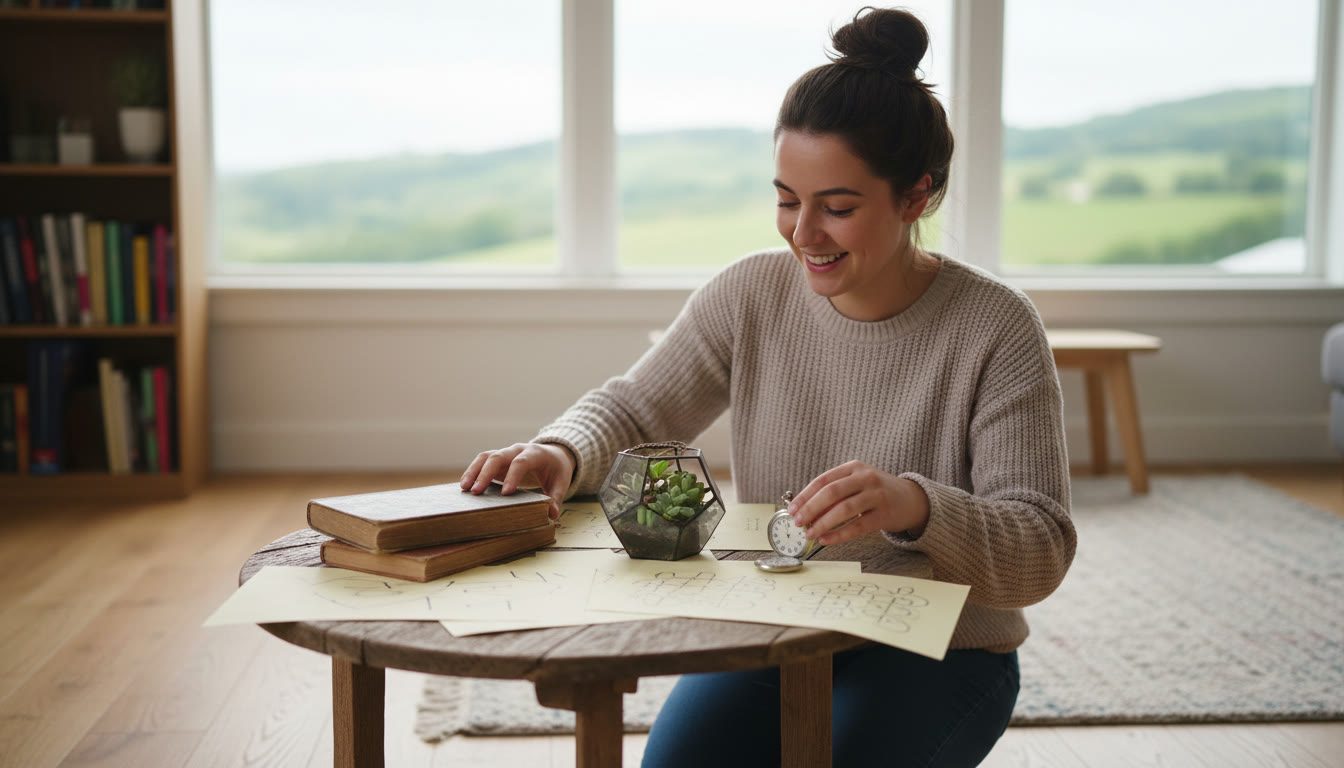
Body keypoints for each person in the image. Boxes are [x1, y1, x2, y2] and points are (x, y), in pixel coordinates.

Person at [460, 6, 1075, 766]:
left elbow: (1041, 550)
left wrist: (915, 506)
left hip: (946, 650)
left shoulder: (998, 327)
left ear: (916, 197)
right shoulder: (750, 293)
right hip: (780, 623)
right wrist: (561, 451)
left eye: (838, 208)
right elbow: (635, 406)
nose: (803, 234)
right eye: (788, 199)